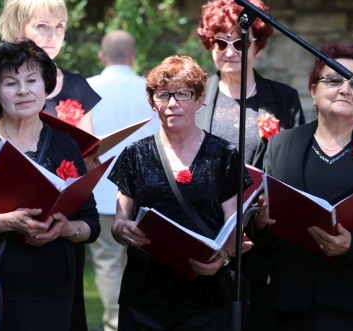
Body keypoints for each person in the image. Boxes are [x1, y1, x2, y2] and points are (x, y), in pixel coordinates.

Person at [248, 42, 353, 330]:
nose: (345, 88)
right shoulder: (282, 145)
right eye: (334, 79)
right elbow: (260, 219)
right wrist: (261, 222)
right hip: (291, 300)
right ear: (313, 91)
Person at [0, 39, 100, 330]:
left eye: (32, 80)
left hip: (52, 294)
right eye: (11, 83)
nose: (23, 90)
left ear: (45, 86)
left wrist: (66, 228)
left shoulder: (66, 144)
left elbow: (90, 223)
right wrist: (8, 222)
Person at [108, 55, 252, 331]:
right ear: (152, 103)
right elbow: (119, 222)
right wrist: (123, 229)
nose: (172, 104)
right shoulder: (134, 154)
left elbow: (233, 226)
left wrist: (222, 258)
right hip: (145, 297)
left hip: (205, 297)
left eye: (183, 94)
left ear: (199, 101)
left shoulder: (224, 155)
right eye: (163, 95)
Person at [195, 0, 305, 328]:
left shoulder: (282, 98)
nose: (230, 52)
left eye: (240, 43)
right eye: (220, 42)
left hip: (262, 239)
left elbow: (294, 165)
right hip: (207, 232)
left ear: (257, 45)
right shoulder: (196, 96)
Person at [86, 29, 159, 331]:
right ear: (132, 56)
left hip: (102, 193)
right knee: (147, 263)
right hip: (146, 194)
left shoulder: (87, 89)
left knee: (108, 264)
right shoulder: (151, 90)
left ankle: (116, 324)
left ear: (102, 56)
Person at [0, 0, 100, 134]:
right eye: (42, 26)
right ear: (17, 28)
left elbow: (89, 150)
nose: (54, 36)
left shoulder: (77, 86)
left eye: (60, 26)